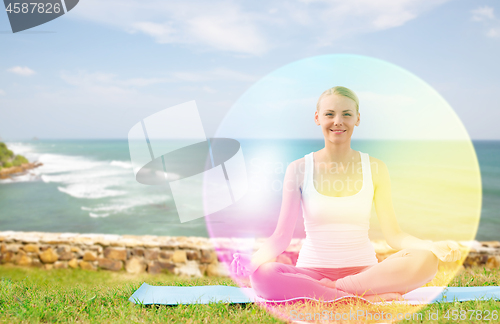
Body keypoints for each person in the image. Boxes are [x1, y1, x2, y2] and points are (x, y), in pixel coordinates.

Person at [230, 86, 462, 302]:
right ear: (317, 118)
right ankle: (362, 297)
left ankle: (332, 294)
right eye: (329, 114)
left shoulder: (376, 168)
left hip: (365, 271)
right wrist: (253, 262)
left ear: (357, 119)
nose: (338, 122)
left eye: (346, 114)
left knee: (426, 260)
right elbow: (281, 236)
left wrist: (431, 246)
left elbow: (394, 235)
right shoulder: (298, 169)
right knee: (263, 275)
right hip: (311, 271)